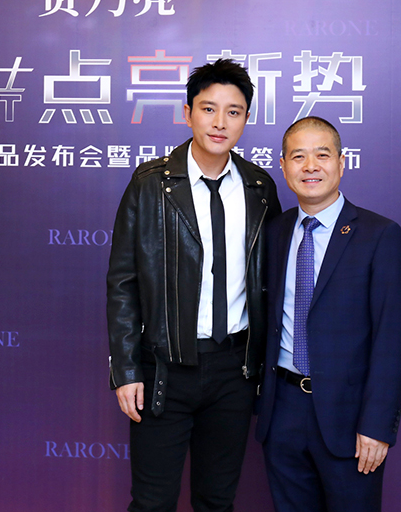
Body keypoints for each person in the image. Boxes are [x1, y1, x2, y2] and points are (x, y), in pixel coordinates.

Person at [107, 59, 281, 512]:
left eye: (233, 111)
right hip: (165, 368)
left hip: (234, 370)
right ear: (187, 113)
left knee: (217, 501)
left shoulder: (260, 187)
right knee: (152, 502)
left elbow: (269, 281)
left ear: (246, 119)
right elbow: (123, 282)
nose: (220, 122)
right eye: (208, 109)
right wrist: (126, 369)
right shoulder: (150, 185)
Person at [255, 116, 401, 512]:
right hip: (282, 412)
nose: (310, 166)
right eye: (298, 156)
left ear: (341, 163)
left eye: (322, 155)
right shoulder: (274, 231)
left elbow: (392, 339)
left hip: (350, 419)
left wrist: (377, 426)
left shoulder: (379, 235)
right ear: (283, 166)